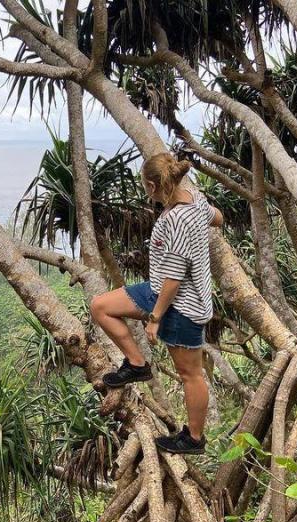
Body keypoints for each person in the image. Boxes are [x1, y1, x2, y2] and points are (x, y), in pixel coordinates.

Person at [89, 152, 223, 455]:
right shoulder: (194, 199)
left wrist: (154, 318)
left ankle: (194, 439)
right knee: (101, 306)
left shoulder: (175, 219)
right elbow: (219, 217)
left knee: (191, 374)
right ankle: (137, 364)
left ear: (151, 185)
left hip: (181, 304)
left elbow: (174, 278)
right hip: (162, 290)